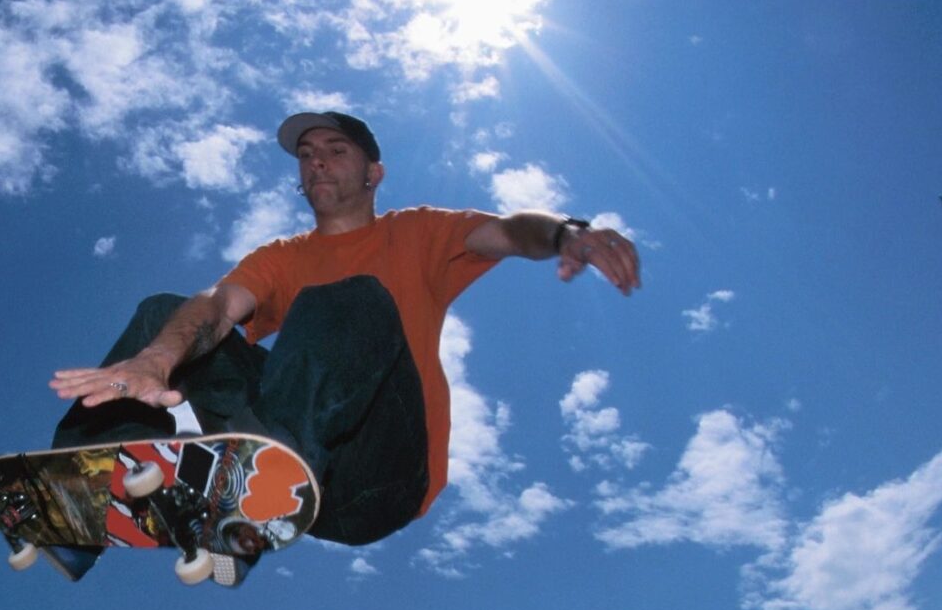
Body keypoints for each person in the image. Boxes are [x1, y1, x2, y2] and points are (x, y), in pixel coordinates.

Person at [48, 110, 641, 583]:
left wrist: (567, 232)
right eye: (307, 157)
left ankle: (251, 494)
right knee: (168, 314)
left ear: (372, 173)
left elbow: (512, 231)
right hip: (303, 460)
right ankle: (70, 506)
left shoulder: (419, 232)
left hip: (380, 475)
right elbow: (221, 306)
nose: (317, 164)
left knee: (351, 298)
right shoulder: (282, 256)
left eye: (335, 152)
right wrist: (157, 358)